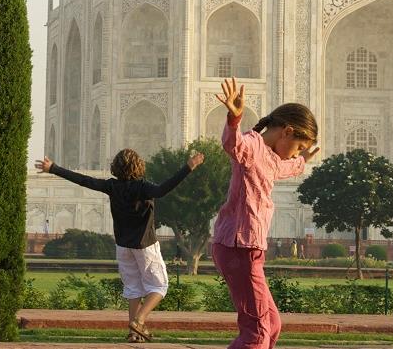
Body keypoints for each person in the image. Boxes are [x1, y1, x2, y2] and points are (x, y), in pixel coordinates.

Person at [36, 148, 203, 343]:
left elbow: (84, 180)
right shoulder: (143, 187)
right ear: (139, 166)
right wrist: (189, 167)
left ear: (116, 167)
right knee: (159, 286)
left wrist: (53, 168)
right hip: (145, 245)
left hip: (123, 246)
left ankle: (133, 333)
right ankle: (139, 321)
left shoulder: (112, 187)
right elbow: (163, 189)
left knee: (133, 288)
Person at [211, 78, 320, 349]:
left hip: (249, 249)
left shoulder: (271, 158)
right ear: (287, 131)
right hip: (238, 247)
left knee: (271, 325)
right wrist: (234, 119)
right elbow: (232, 145)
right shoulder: (251, 145)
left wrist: (302, 160)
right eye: (298, 146)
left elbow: (286, 168)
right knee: (257, 333)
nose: (294, 154)